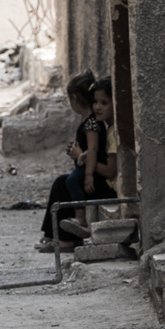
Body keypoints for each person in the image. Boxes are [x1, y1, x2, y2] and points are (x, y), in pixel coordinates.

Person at [38, 72, 117, 249]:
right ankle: (53, 235)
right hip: (99, 180)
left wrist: (81, 157)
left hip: (107, 188)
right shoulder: (100, 125)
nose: (97, 107)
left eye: (104, 103)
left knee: (68, 182)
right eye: (96, 102)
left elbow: (110, 171)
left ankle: (69, 236)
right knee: (62, 182)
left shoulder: (110, 132)